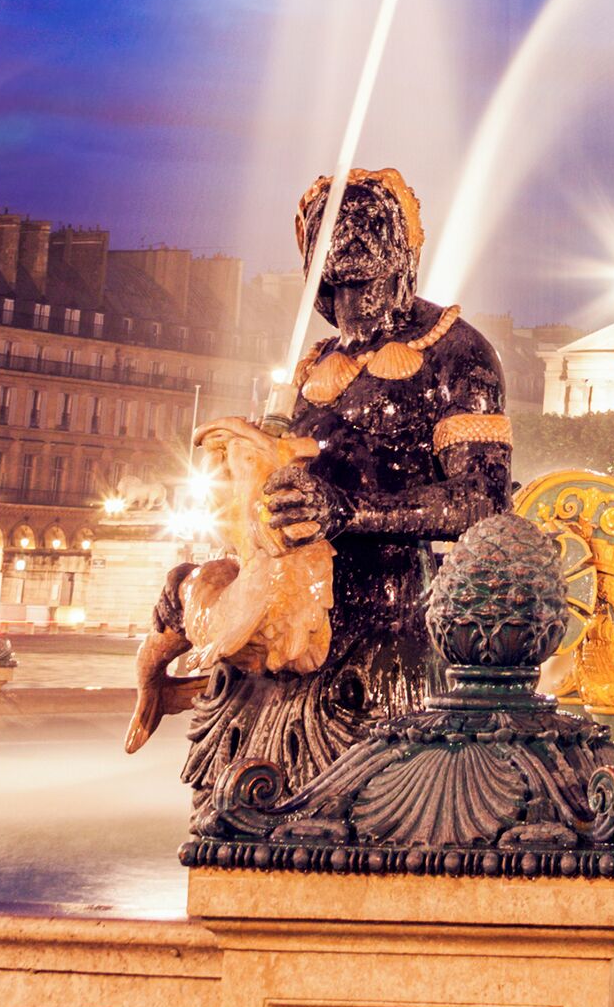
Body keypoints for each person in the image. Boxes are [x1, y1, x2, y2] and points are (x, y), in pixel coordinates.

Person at [163, 168, 507, 818]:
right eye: (334, 288)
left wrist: (350, 512)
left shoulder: (458, 353)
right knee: (243, 807)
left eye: (366, 283)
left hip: (404, 628)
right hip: (302, 629)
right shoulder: (318, 363)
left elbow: (482, 498)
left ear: (404, 264)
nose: (352, 305)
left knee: (356, 815)